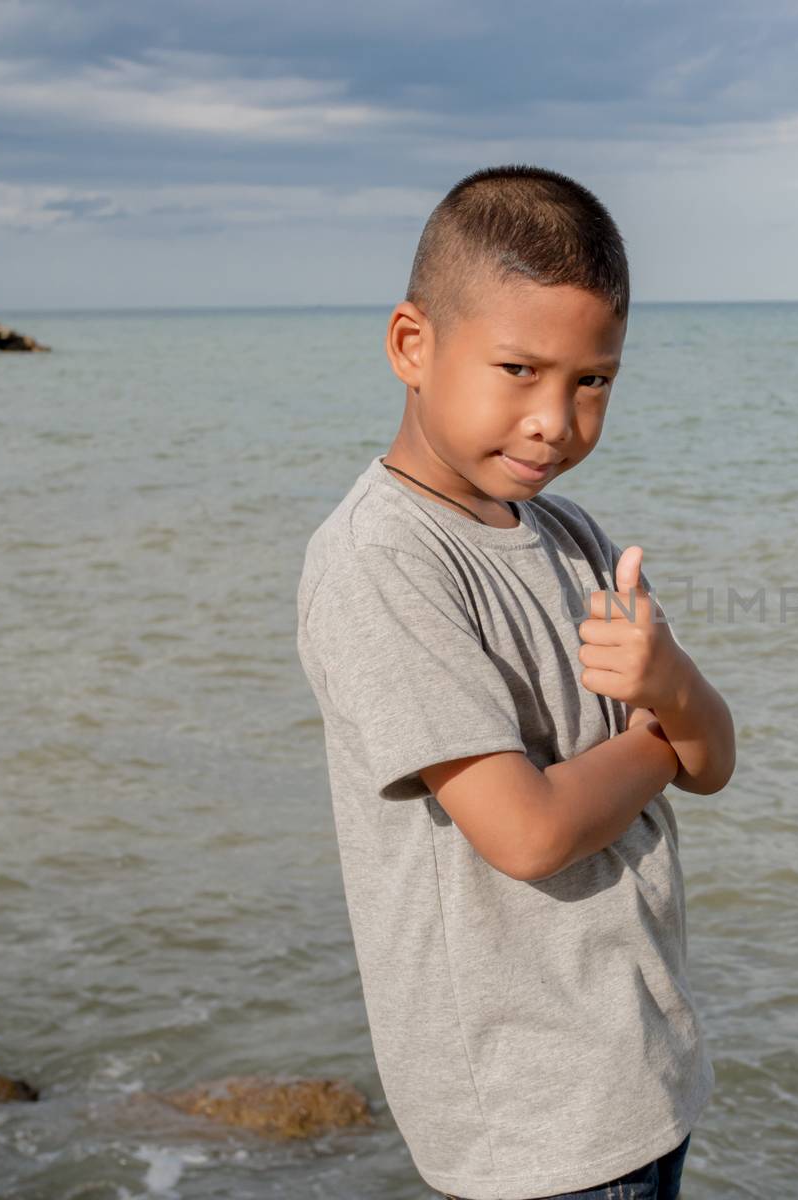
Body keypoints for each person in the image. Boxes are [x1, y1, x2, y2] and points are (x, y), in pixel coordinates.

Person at [293, 163, 735, 1200]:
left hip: (641, 1069)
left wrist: (668, 679)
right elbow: (525, 831)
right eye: (519, 370)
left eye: (592, 381)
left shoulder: (572, 533)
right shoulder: (380, 561)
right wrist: (656, 738)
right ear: (413, 345)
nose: (554, 418)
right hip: (532, 1113)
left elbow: (715, 760)